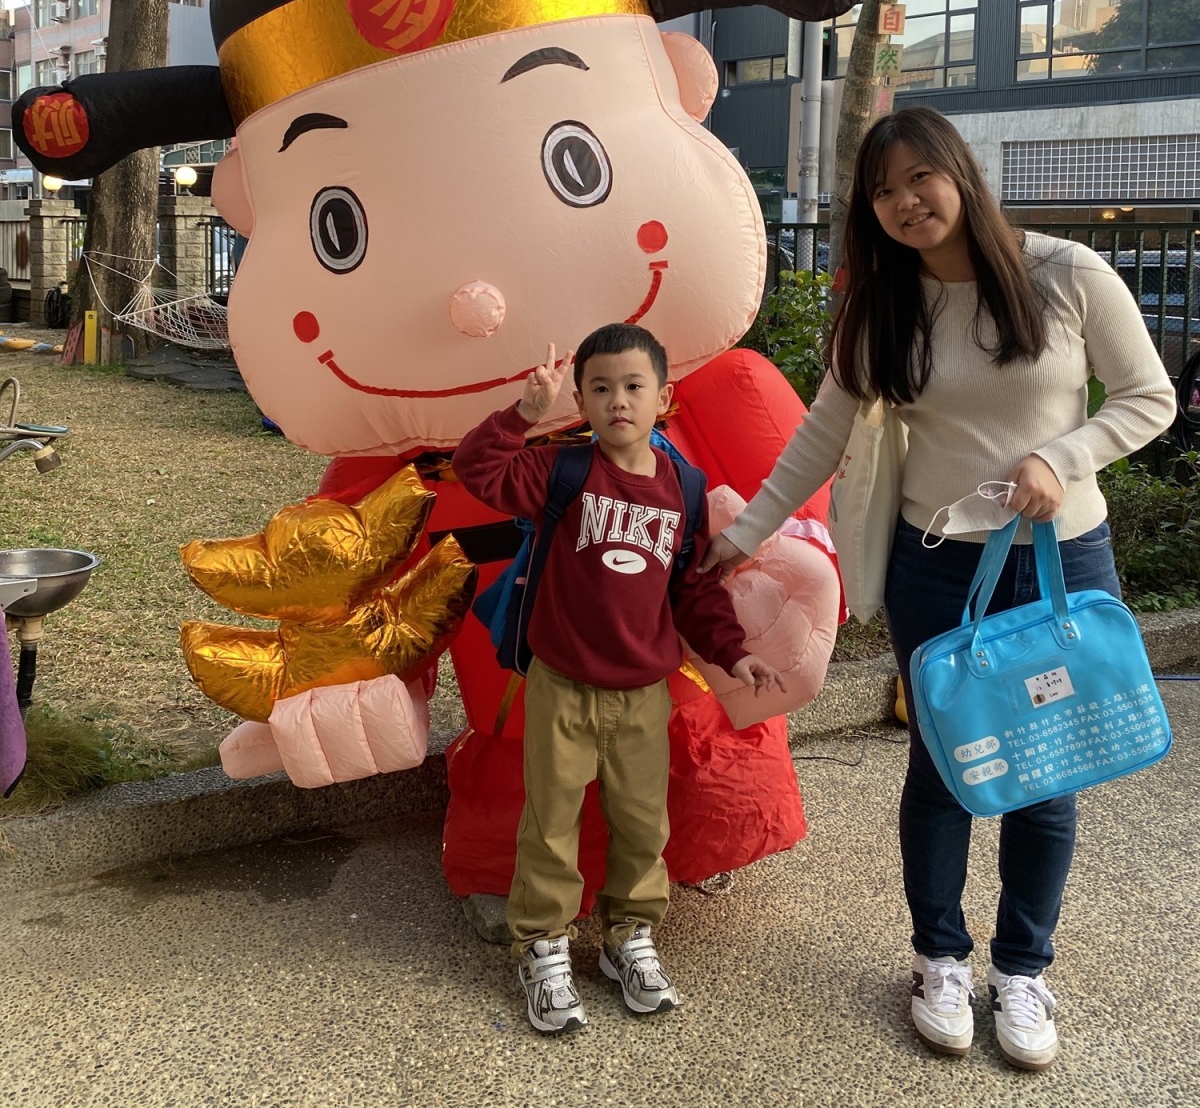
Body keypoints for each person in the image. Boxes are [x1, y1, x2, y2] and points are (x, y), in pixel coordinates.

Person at [702, 106, 1175, 1071]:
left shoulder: (1067, 274)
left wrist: (1060, 456)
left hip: (1059, 557)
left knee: (1048, 767)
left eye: (920, 176)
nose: (905, 201)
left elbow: (1148, 398)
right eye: (882, 191)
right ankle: (939, 960)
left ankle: (1024, 970)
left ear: (959, 171)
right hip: (940, 563)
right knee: (945, 764)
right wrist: (741, 537)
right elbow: (821, 438)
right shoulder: (885, 307)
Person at [453, 322, 785, 1035]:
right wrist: (522, 415)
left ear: (663, 398)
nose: (618, 401)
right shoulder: (561, 471)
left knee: (642, 824)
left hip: (642, 693)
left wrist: (733, 655)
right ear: (580, 401)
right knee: (550, 823)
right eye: (600, 388)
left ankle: (628, 937)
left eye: (634, 386)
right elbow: (477, 469)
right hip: (562, 686)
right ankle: (543, 946)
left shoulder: (683, 488)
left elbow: (693, 591)